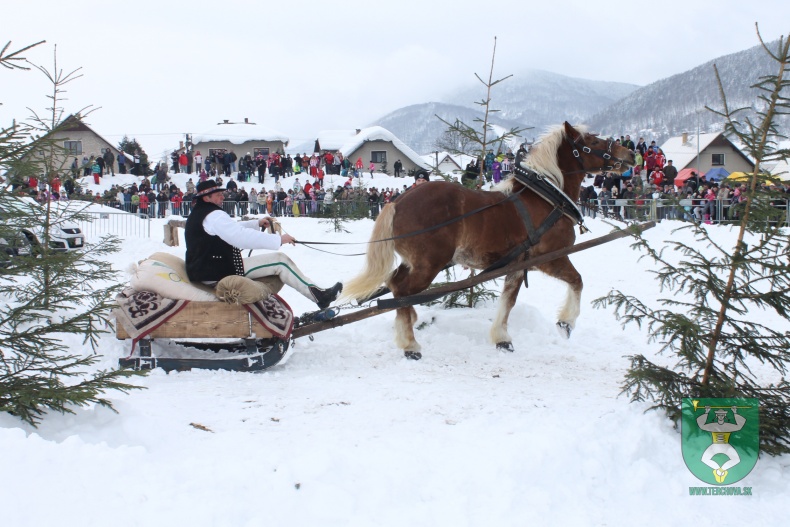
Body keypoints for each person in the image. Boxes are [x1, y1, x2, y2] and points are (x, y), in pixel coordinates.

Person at [184, 180, 342, 309]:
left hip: (208, 270)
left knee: (278, 261)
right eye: (218, 195)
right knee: (280, 261)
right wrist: (279, 239)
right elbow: (239, 236)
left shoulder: (203, 214)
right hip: (216, 272)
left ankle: (316, 294)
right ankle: (320, 296)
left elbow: (231, 229)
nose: (222, 197)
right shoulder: (214, 215)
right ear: (206, 198)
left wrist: (256, 223)